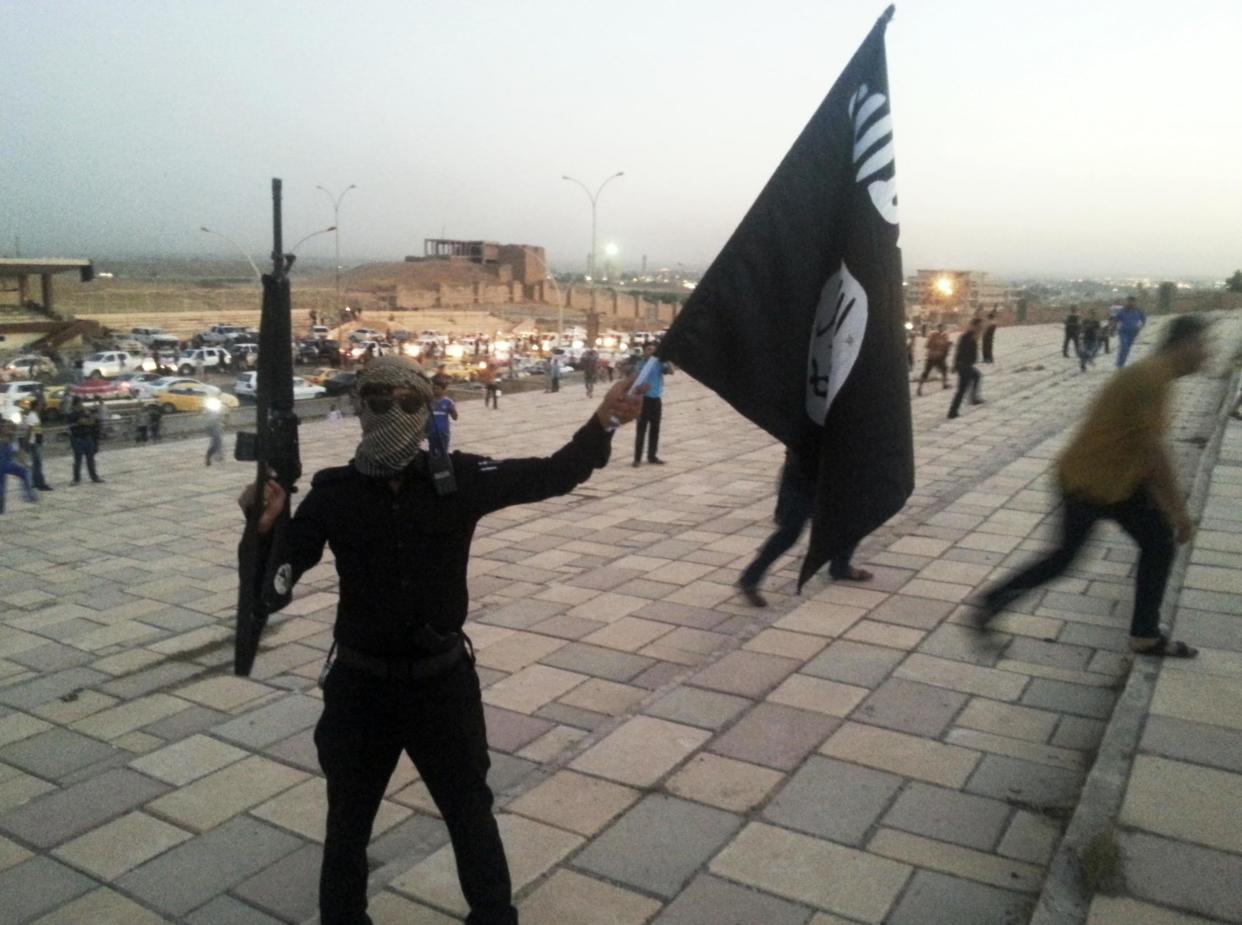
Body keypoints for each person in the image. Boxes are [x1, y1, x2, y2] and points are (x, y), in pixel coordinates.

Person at [237, 356, 644, 925]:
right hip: (361, 688)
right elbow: (274, 588)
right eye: (378, 401)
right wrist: (262, 532)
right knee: (347, 825)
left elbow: (554, 473)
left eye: (408, 402)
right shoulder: (333, 494)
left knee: (471, 815)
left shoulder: (462, 479)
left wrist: (603, 420)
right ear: (361, 408)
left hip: (441, 684)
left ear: (427, 409)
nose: (393, 412)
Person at [978, 314, 1211, 658]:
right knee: (1064, 559)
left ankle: (1145, 634)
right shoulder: (1151, 378)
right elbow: (1155, 453)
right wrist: (1180, 513)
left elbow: (1144, 448)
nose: (1208, 354)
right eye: (1204, 346)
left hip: (1117, 482)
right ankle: (990, 602)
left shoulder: (1155, 376)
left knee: (1158, 543)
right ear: (1185, 345)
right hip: (1088, 482)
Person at [736, 449, 873, 606]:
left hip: (835, 474)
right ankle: (751, 577)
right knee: (790, 532)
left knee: (851, 518)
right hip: (803, 477)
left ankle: (840, 566)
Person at [633, 342, 671, 466]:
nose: (651, 351)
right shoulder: (639, 364)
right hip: (642, 400)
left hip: (656, 400)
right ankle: (637, 458)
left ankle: (652, 456)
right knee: (641, 429)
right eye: (649, 349)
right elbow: (634, 380)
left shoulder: (659, 363)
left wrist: (666, 359)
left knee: (655, 429)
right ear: (644, 351)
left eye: (654, 350)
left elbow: (670, 371)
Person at [947, 318, 984, 419]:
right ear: (974, 326)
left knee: (976, 375)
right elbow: (960, 351)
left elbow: (958, 351)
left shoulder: (967, 336)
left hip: (965, 365)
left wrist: (955, 365)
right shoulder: (969, 336)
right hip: (965, 366)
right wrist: (956, 365)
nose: (981, 328)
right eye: (979, 326)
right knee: (961, 389)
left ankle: (973, 398)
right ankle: (952, 412)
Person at [0, 420, 38, 514]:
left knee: (24, 472)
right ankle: (1, 508)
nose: (9, 429)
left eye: (10, 427)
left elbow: (17, 452)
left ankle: (28, 494)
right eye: (6, 427)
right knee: (1, 487)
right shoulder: (4, 439)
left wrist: (25, 463)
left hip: (7, 464)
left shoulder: (11, 438)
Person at [21, 398, 52, 491]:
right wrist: (26, 443)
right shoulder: (32, 416)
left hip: (36, 442)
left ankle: (34, 482)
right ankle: (41, 484)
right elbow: (29, 431)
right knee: (38, 464)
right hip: (34, 443)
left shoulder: (35, 415)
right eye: (39, 405)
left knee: (36, 464)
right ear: (35, 406)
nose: (41, 406)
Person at [916, 323, 952, 396]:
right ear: (937, 328)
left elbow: (945, 346)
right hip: (932, 357)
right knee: (926, 372)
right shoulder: (933, 335)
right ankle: (919, 388)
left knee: (944, 369)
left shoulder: (945, 336)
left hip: (939, 357)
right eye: (940, 328)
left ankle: (944, 384)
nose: (941, 329)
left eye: (942, 328)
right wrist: (936, 346)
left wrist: (947, 345)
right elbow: (927, 345)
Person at [1115, 295, 1147, 368]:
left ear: (1135, 302)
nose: (1130, 303)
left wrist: (1140, 327)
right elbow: (1116, 319)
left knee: (1127, 349)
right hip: (1123, 332)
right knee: (1124, 346)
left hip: (1133, 333)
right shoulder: (1123, 310)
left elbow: (1143, 320)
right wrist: (1112, 327)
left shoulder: (1139, 310)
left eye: (1132, 301)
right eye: (1129, 301)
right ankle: (1120, 364)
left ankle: (1121, 363)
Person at [429, 375, 458, 451]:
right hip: (431, 433)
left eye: (437, 389)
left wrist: (452, 410)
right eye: (433, 388)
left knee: (443, 453)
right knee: (432, 452)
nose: (435, 390)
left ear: (443, 390)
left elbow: (455, 418)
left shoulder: (448, 402)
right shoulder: (429, 402)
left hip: (443, 433)